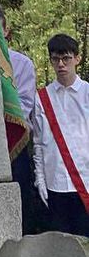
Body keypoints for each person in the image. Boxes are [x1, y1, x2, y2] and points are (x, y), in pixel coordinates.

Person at [32, 33, 89, 237]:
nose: (61, 64)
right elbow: (39, 143)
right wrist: (40, 179)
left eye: (66, 58)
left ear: (77, 59)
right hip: (55, 184)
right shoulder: (42, 98)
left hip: (85, 184)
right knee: (61, 246)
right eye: (56, 59)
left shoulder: (87, 93)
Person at [0, 7, 48, 235]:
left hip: (13, 141)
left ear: (6, 31)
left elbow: (25, 105)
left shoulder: (21, 63)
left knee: (21, 210)